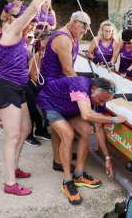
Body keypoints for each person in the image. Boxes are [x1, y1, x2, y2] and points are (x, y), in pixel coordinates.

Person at [0, 0, 65, 196]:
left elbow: (25, 62)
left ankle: (14, 168)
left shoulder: (20, 39)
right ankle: (9, 183)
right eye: (18, 19)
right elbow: (33, 8)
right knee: (12, 136)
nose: (26, 23)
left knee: (25, 130)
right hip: (6, 88)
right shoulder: (10, 32)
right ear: (8, 21)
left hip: (18, 87)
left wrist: (33, 48)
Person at [36, 76, 127, 205]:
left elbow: (98, 129)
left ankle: (78, 175)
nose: (102, 104)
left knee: (88, 131)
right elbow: (86, 114)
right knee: (68, 134)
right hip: (50, 104)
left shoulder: (100, 98)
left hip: (69, 110)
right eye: (101, 100)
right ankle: (67, 182)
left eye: (104, 102)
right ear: (93, 88)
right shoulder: (80, 84)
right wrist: (113, 120)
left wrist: (107, 158)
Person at [39, 10, 91, 172]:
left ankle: (58, 160)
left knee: (59, 127)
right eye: (83, 27)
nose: (85, 31)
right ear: (74, 22)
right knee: (66, 130)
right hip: (53, 88)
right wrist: (83, 93)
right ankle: (62, 162)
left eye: (87, 28)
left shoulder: (72, 37)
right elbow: (69, 71)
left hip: (60, 85)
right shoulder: (63, 39)